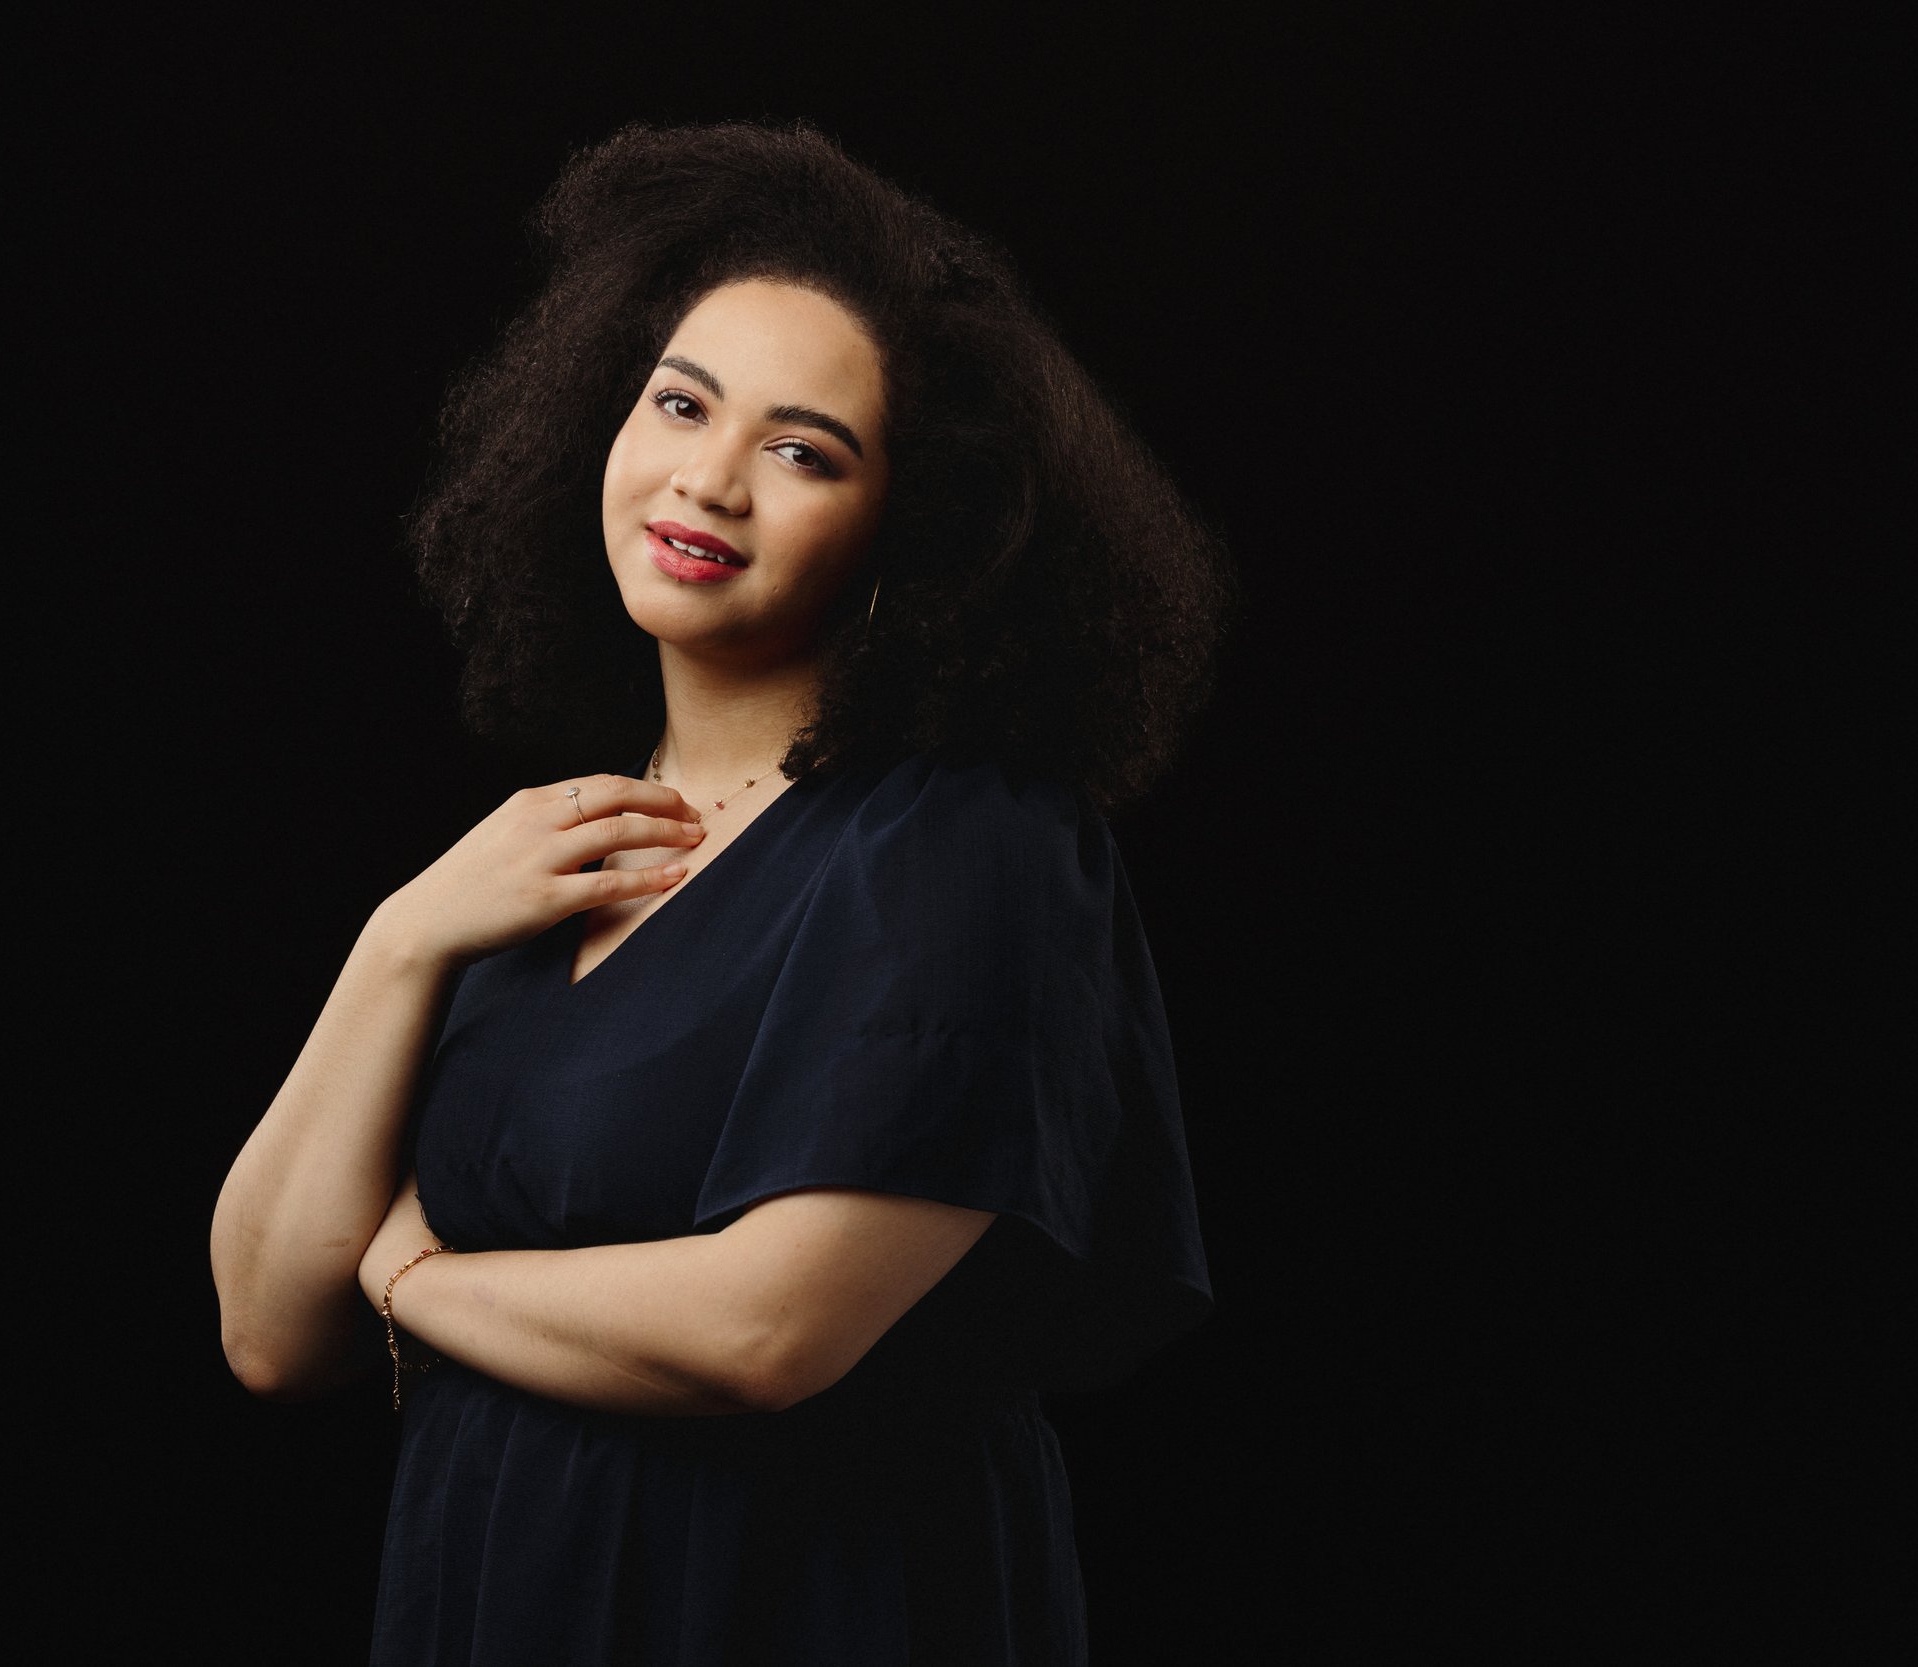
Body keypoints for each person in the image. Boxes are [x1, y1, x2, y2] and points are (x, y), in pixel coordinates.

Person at [210, 118, 1229, 1665]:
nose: (707, 479)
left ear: (914, 529)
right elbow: (270, 1333)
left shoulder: (968, 845)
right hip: (496, 1592)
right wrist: (401, 938)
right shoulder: (534, 863)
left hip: (798, 1606)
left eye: (802, 450)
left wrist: (410, 1276)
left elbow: (765, 1332)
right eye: (681, 403)